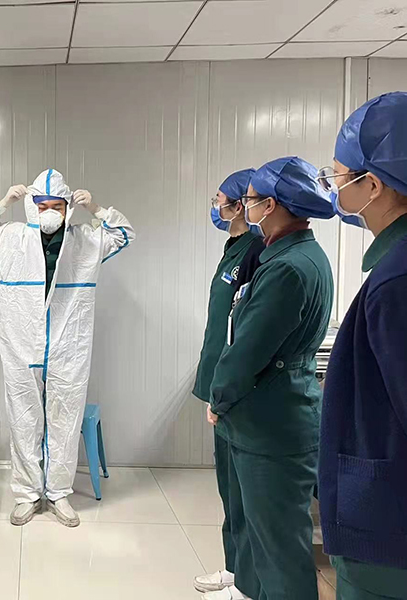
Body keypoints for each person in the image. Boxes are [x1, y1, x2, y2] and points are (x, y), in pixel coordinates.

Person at [0, 168, 134, 527]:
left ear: (68, 207)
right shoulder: (11, 238)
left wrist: (97, 209)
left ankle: (58, 493)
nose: (50, 213)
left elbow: (123, 234)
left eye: (57, 206)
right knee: (23, 418)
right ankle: (27, 494)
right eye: (42, 206)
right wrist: (3, 203)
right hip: (21, 343)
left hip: (68, 345)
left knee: (65, 418)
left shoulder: (85, 240)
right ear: (32, 207)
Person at [205, 157, 335, 600]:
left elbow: (248, 350)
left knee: (279, 550)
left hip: (272, 423)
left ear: (272, 205)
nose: (246, 208)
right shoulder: (299, 255)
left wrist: (219, 398)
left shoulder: (286, 269)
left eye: (251, 201)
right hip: (272, 414)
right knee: (261, 538)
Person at [317, 92, 407, 600]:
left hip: (388, 532)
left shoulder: (398, 281)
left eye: (337, 176)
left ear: (372, 185)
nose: (332, 188)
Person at [192, 168, 265, 595]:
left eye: (219, 200)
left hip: (235, 391)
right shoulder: (234, 247)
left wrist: (226, 389)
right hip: (220, 382)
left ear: (240, 206)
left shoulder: (256, 250)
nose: (215, 206)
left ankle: (248, 582)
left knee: (242, 489)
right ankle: (235, 570)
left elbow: (249, 328)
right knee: (229, 487)